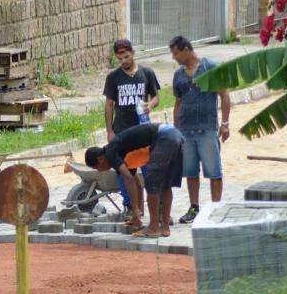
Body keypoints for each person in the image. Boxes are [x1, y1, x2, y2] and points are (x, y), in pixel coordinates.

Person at [84, 123, 185, 238]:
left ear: (100, 159)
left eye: (96, 168)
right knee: (165, 185)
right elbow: (135, 182)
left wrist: (136, 209)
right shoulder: (120, 150)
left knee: (152, 183)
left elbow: (128, 179)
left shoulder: (111, 152)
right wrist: (137, 211)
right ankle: (165, 227)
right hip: (175, 134)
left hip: (164, 137)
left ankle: (153, 227)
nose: (99, 171)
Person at [170, 36, 231, 224]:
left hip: (207, 129)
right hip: (186, 131)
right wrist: (176, 129)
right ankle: (194, 207)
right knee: (190, 172)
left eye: (176, 53)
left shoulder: (210, 67)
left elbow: (224, 96)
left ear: (187, 49)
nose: (174, 58)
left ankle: (216, 207)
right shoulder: (179, 76)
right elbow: (177, 104)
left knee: (213, 171)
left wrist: (225, 123)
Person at [102, 38, 160, 219]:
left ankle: (156, 208)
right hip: (122, 131)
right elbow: (109, 105)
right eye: (120, 59)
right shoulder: (113, 78)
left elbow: (156, 97)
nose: (124, 62)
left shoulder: (146, 73)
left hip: (143, 130)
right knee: (124, 170)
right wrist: (110, 131)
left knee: (150, 169)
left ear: (133, 53)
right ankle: (130, 206)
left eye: (126, 57)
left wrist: (150, 106)